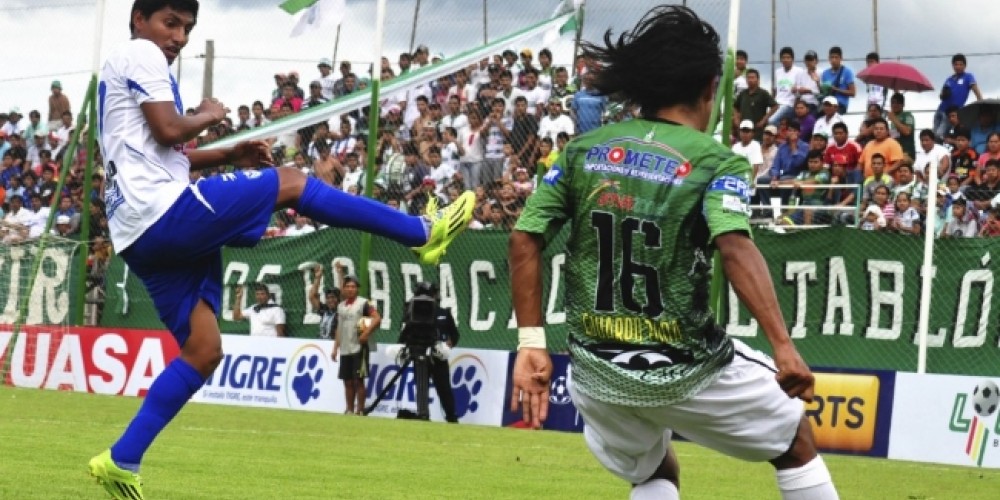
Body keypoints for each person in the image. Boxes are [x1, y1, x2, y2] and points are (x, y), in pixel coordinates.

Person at [87, 2, 476, 498]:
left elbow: (162, 151)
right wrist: (207, 115)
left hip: (137, 233)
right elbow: (169, 130)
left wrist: (227, 154)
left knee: (203, 351)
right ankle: (422, 231)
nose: (180, 37)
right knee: (291, 181)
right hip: (162, 212)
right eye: (171, 23)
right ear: (139, 19)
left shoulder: (124, 69)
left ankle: (121, 459)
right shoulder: (141, 53)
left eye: (187, 27)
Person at [508, 6, 837, 500]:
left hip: (597, 371)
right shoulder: (716, 161)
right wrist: (783, 347)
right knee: (795, 443)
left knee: (654, 471)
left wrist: (531, 342)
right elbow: (735, 245)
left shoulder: (581, 151)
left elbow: (523, 237)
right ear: (710, 87)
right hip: (689, 367)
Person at [397, 281, 460, 422]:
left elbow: (454, 335)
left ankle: (451, 417)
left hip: (438, 356)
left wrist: (449, 344)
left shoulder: (444, 313)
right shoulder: (411, 313)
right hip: (419, 353)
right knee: (421, 386)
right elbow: (405, 334)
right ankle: (423, 413)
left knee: (444, 388)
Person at [332, 273, 381, 416]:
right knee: (347, 380)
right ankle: (349, 409)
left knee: (358, 380)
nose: (350, 289)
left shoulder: (364, 303)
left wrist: (366, 333)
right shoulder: (341, 306)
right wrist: (336, 348)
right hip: (345, 348)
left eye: (353, 286)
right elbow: (339, 328)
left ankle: (360, 410)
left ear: (357, 289)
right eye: (347, 286)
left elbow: (377, 318)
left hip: (359, 347)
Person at [308, 265, 339, 340]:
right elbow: (312, 297)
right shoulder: (325, 310)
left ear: (338, 298)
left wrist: (340, 272)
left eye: (333, 297)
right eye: (328, 298)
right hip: (322, 344)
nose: (330, 300)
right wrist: (318, 277)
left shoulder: (341, 311)